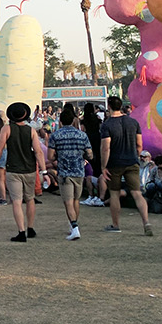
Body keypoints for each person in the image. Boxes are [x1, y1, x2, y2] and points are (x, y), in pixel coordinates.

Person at [99, 96, 152, 236]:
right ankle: (146, 222)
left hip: (114, 163)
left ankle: (116, 224)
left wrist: (103, 166)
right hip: (132, 161)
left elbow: (106, 148)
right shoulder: (133, 123)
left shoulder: (107, 125)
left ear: (109, 106)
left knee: (115, 194)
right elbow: (139, 144)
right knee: (137, 193)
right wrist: (136, 155)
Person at [46, 106, 92, 240]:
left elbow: (50, 156)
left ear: (60, 121)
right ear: (73, 120)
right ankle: (74, 225)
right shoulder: (82, 135)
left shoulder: (56, 136)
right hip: (79, 171)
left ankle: (74, 227)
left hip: (65, 172)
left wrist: (58, 157)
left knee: (68, 201)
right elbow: (89, 154)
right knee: (76, 200)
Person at [3, 103, 46, 242]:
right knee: (30, 198)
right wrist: (44, 170)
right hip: (30, 168)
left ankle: (21, 231)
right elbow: (38, 152)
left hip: (13, 168)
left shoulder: (7, 129)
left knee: (16, 200)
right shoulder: (31, 130)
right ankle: (31, 228)